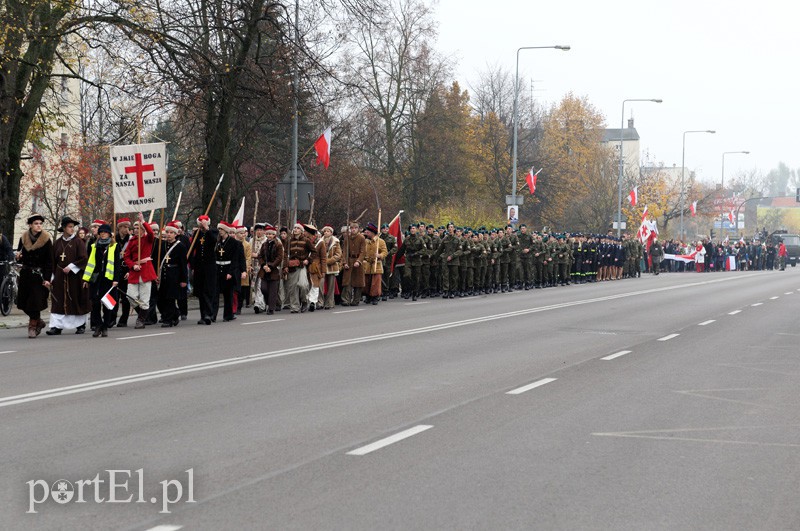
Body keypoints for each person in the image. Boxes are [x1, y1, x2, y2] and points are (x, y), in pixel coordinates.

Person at [47, 216, 90, 335]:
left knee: (75, 299)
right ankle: (56, 326)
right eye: (70, 227)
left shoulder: (78, 242)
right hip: (60, 277)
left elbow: (84, 259)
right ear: (64, 228)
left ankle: (80, 325)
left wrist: (71, 267)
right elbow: (52, 261)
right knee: (58, 301)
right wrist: (52, 276)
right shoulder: (57, 243)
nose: (72, 229)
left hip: (75, 277)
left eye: (73, 227)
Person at [15, 214, 53, 338]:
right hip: (26, 274)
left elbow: (49, 261)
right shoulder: (24, 237)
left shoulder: (46, 239)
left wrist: (47, 278)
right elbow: (20, 256)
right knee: (22, 302)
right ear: (30, 225)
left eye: (40, 224)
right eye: (36, 223)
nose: (39, 226)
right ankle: (39, 321)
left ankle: (32, 326)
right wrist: (18, 257)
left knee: (34, 301)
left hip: (39, 274)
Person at [83, 224, 121, 337]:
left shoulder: (114, 246)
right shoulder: (94, 246)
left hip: (108, 278)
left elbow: (117, 264)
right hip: (96, 278)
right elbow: (90, 263)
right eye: (101, 232)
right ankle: (98, 325)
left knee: (107, 304)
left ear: (109, 234)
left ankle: (105, 326)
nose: (103, 234)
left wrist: (116, 279)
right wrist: (86, 279)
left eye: (105, 232)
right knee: (94, 302)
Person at [122, 212, 157, 329]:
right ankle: (143, 315)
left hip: (146, 270)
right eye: (135, 228)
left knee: (144, 298)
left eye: (138, 228)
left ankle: (141, 320)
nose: (136, 230)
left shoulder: (148, 239)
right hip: (134, 271)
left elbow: (151, 233)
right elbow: (126, 257)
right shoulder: (131, 241)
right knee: (130, 296)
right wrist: (132, 266)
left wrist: (143, 221)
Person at [156, 222, 188, 327]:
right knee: (161, 299)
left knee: (170, 299)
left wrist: (184, 280)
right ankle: (175, 313)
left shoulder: (180, 247)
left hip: (174, 276)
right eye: (167, 232)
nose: (169, 234)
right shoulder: (162, 245)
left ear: (175, 234)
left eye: (171, 233)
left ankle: (167, 320)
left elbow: (183, 265)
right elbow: (158, 261)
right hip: (163, 274)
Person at [189, 214, 218, 324]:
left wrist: (207, 229)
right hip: (199, 266)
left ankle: (209, 314)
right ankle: (203, 315)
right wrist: (192, 265)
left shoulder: (213, 232)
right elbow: (192, 250)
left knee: (208, 291)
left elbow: (214, 241)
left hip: (210, 266)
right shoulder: (197, 233)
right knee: (200, 292)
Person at [284, 223, 317, 313]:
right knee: (293, 287)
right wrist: (285, 266)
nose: (295, 229)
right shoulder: (289, 241)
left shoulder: (306, 240)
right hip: (292, 266)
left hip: (302, 265)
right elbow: (285, 254)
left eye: (298, 228)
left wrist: (308, 260)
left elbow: (314, 252)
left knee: (303, 285)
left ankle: (304, 301)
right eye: (294, 228)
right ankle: (295, 307)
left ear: (301, 231)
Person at [213, 221, 241, 322]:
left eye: (221, 229)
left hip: (227, 270)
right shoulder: (217, 241)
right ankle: (213, 315)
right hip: (217, 269)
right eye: (219, 229)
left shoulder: (233, 243)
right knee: (215, 294)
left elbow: (235, 259)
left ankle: (228, 315)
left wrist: (230, 272)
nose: (220, 231)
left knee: (228, 294)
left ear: (226, 230)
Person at [257, 224, 284, 314]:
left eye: (270, 234)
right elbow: (260, 256)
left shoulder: (278, 245)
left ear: (274, 235)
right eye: (267, 234)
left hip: (274, 270)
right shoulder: (264, 244)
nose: (269, 236)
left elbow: (279, 257)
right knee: (263, 288)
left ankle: (271, 308)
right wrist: (263, 265)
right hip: (264, 270)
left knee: (272, 290)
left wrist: (271, 266)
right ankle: (269, 302)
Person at [340, 221, 366, 306]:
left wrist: (359, 261)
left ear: (358, 229)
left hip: (358, 260)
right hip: (349, 260)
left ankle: (356, 300)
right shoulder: (347, 238)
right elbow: (344, 252)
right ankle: (346, 299)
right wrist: (344, 262)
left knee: (358, 282)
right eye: (351, 228)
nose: (353, 230)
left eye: (355, 228)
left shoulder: (361, 238)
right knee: (347, 281)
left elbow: (363, 252)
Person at [362, 222, 388, 305]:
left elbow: (385, 252)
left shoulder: (380, 241)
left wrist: (379, 255)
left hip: (376, 264)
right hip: (367, 264)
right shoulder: (365, 241)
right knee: (367, 281)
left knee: (375, 282)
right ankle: (368, 296)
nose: (366, 233)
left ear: (372, 232)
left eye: (368, 232)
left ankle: (375, 296)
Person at [114, 218, 132, 327]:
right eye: (124, 227)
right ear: (119, 227)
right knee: (114, 296)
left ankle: (124, 319)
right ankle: (112, 317)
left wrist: (130, 271)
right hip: (115, 270)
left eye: (127, 227)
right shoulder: (114, 239)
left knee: (125, 297)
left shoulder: (131, 239)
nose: (127, 229)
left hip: (126, 270)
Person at [320, 225, 341, 310]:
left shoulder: (336, 242)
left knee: (331, 286)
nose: (326, 233)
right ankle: (320, 302)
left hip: (332, 266)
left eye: (328, 231)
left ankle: (330, 302)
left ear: (331, 233)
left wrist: (329, 261)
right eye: (325, 231)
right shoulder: (320, 241)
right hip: (322, 267)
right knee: (321, 284)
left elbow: (338, 254)